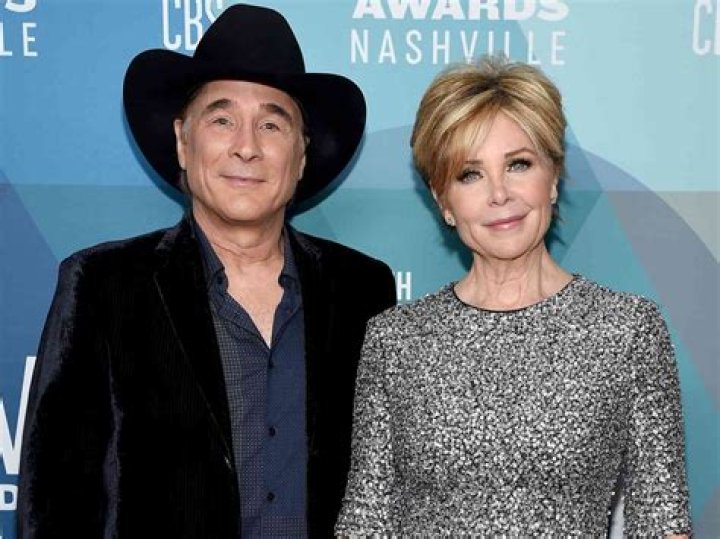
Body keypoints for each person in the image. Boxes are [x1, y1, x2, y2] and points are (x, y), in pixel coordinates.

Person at [17, 4, 396, 538]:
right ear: (182, 141)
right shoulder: (103, 286)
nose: (247, 147)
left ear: (301, 156)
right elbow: (54, 505)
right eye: (222, 120)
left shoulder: (362, 290)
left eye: (272, 124)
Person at [335, 56, 692, 536]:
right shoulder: (394, 340)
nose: (499, 194)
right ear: (443, 201)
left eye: (518, 164)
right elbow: (365, 522)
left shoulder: (627, 332)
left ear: (553, 177)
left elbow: (662, 522)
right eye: (470, 174)